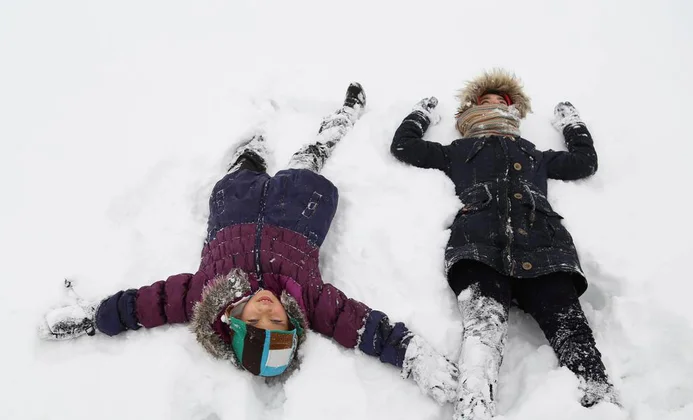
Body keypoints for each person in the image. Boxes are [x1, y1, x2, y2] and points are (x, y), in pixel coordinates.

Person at [39, 83, 459, 405]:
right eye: (279, 324)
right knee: (310, 155)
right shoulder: (309, 300)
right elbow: (362, 325)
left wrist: (96, 317)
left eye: (256, 323)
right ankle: (344, 116)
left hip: (236, 203)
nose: (267, 312)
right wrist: (411, 354)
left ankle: (252, 150)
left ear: (234, 323)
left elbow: (145, 305)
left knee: (243, 168)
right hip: (297, 205)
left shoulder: (201, 295)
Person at [389, 69, 619, 419]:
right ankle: (473, 410)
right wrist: (422, 113)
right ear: (473, 110)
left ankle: (602, 403)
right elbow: (405, 147)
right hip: (479, 246)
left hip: (545, 247)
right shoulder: (458, 151)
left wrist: (571, 124)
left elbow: (584, 163)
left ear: (515, 113)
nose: (495, 105)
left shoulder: (533, 154)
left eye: (503, 102)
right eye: (487, 102)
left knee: (574, 334)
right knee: (482, 336)